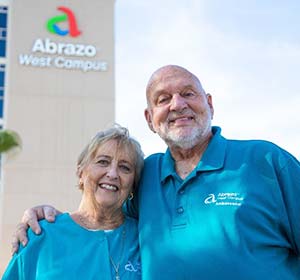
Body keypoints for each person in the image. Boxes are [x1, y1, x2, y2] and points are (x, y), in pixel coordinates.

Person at [12, 65, 300, 279]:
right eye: (163, 99)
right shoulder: (146, 175)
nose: (177, 104)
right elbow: (101, 214)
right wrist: (43, 214)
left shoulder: (266, 161)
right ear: (150, 119)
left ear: (209, 104)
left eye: (188, 93)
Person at [4, 125, 143, 280]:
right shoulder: (41, 234)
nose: (112, 174)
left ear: (133, 184)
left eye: (125, 168)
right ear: (80, 172)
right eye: (103, 162)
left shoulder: (144, 237)